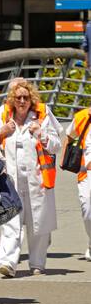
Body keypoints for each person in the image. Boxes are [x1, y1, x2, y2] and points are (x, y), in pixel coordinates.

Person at [0, 78, 61, 276]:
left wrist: (41, 134)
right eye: (18, 97)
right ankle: (8, 263)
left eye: (26, 97)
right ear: (12, 99)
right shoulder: (4, 116)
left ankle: (37, 263)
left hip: (37, 180)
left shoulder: (42, 116)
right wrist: (2, 133)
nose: (22, 101)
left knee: (37, 223)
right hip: (10, 179)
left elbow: (57, 145)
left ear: (31, 100)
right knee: (10, 221)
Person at [66, 104, 91, 261]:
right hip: (86, 173)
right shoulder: (82, 117)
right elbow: (69, 136)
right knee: (87, 209)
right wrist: (65, 159)